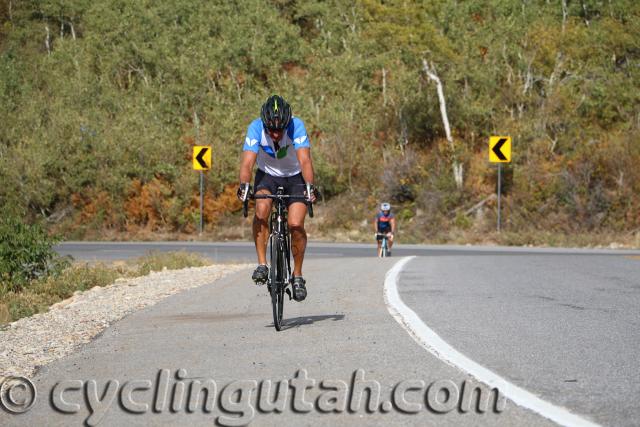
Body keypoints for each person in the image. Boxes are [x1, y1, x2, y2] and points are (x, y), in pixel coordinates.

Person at [237, 95, 317, 302]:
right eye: (271, 130)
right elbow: (247, 163)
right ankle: (262, 264)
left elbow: (305, 160)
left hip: (295, 176)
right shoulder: (255, 127)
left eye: (280, 130)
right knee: (261, 211)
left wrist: (310, 186)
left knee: (295, 224)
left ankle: (297, 276)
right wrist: (244, 185)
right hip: (267, 176)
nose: (275, 134)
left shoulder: (296, 126)